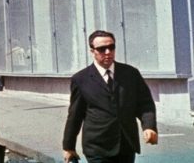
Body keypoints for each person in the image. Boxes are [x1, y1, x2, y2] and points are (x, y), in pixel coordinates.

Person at [62, 30, 158, 163]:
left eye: (111, 47)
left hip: (126, 145)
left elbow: (145, 104)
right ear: (92, 51)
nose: (108, 52)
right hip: (97, 147)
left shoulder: (130, 73)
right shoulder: (81, 79)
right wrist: (68, 146)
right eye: (102, 49)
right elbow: (75, 115)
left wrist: (149, 126)